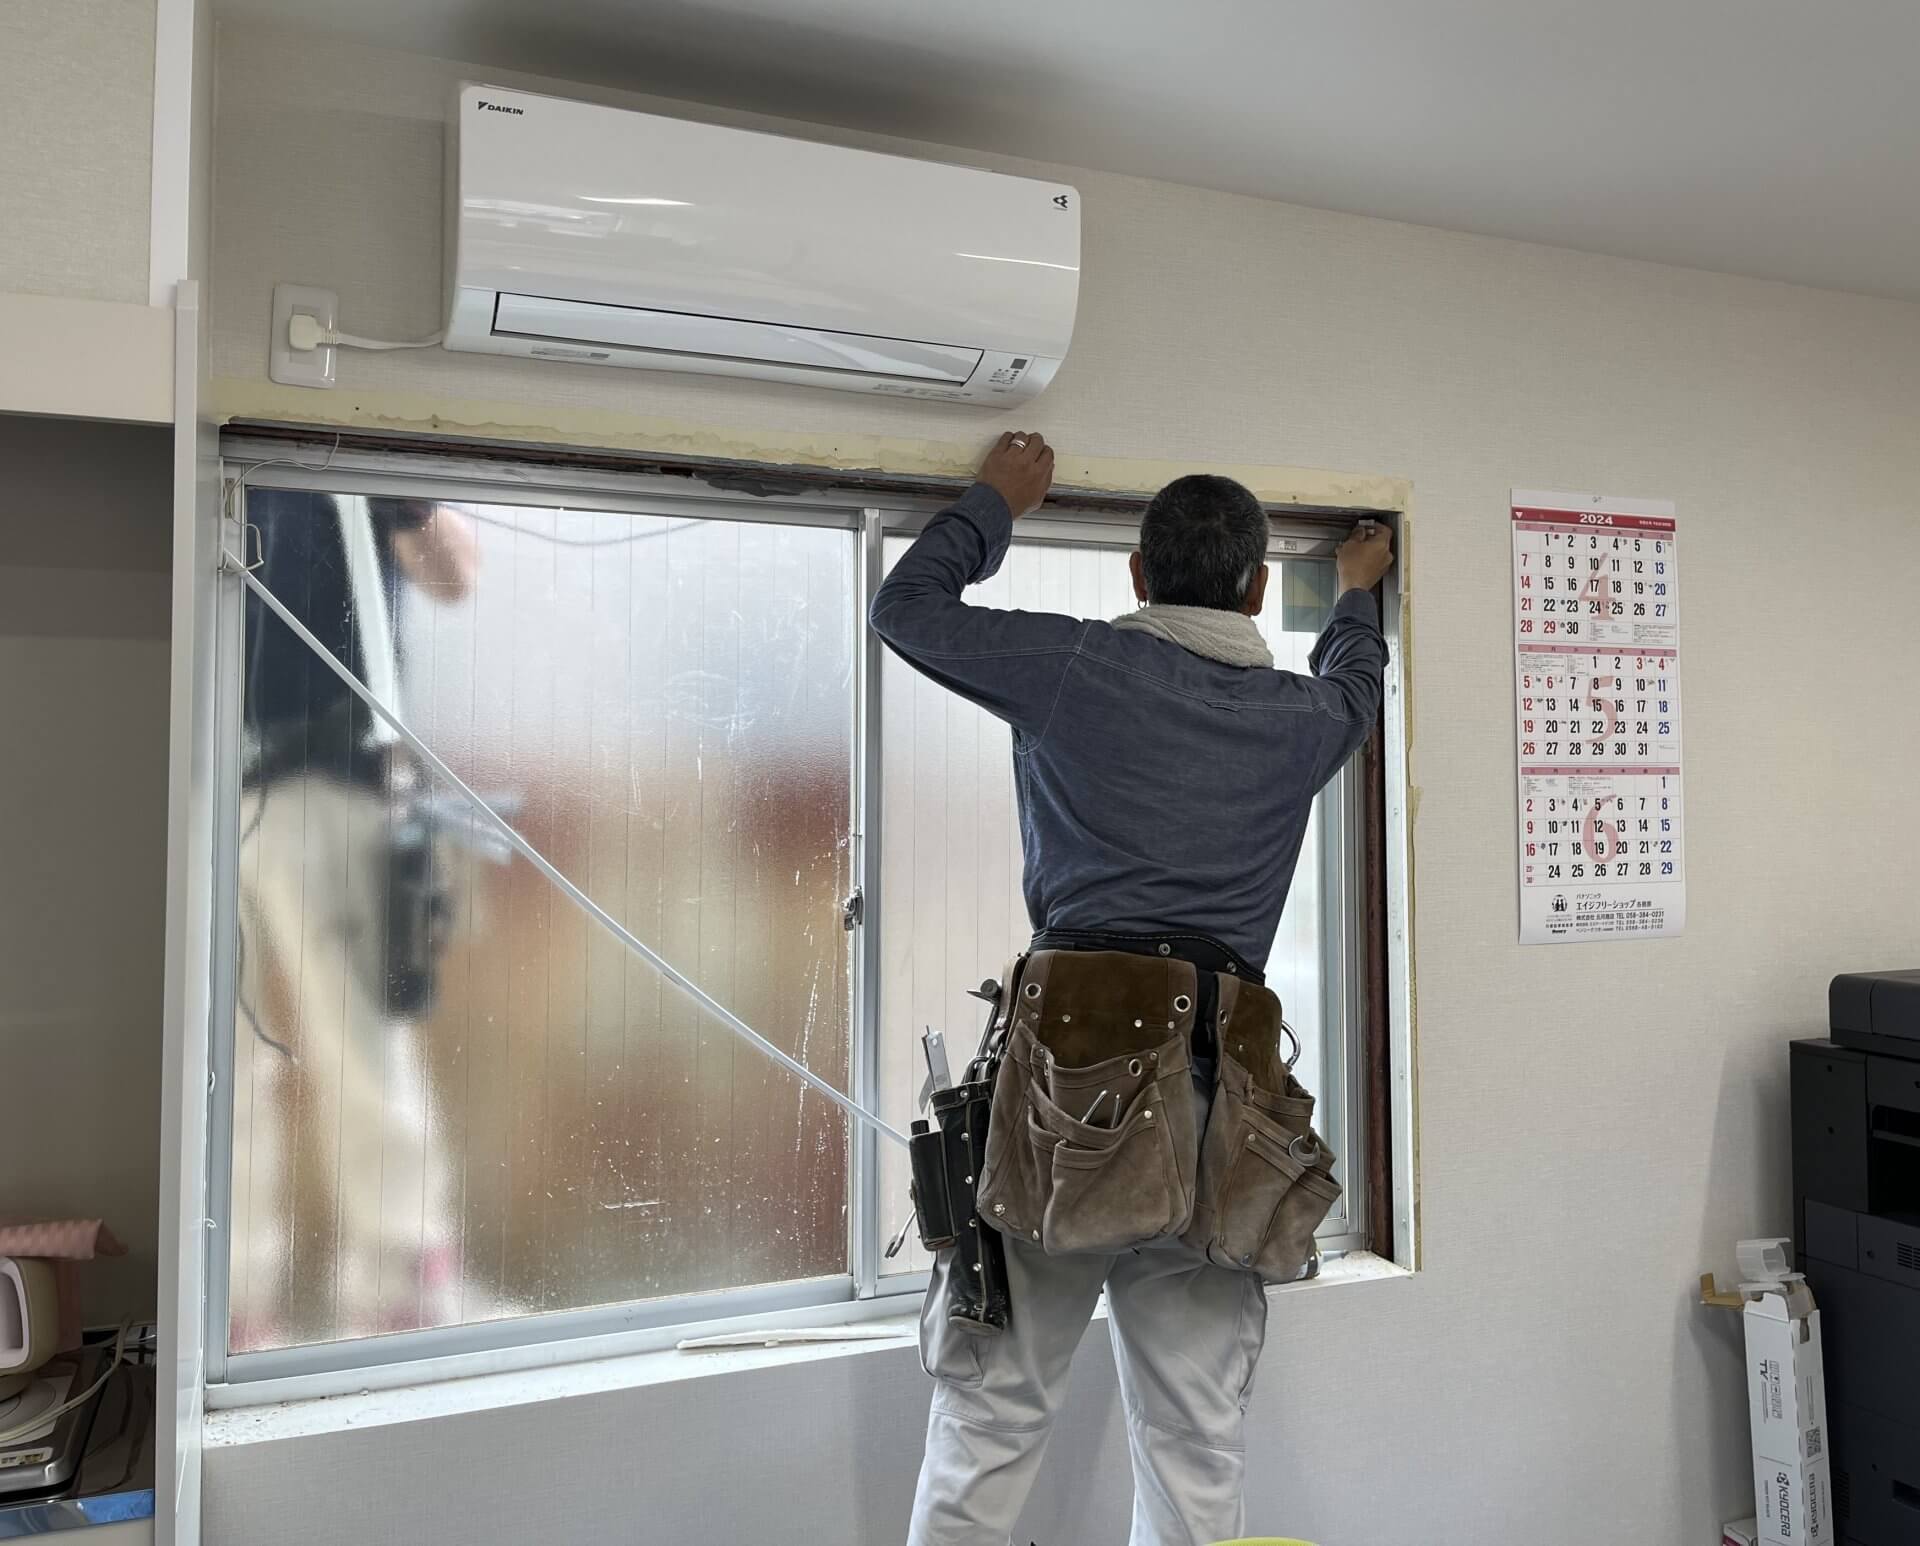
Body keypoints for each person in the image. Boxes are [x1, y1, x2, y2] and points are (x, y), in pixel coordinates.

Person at [870, 431, 1393, 1546]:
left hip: (1066, 1093)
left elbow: (907, 611)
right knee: (1196, 1437)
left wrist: (994, 505)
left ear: (1138, 577)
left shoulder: (1075, 668)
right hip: (1228, 1118)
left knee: (994, 1417)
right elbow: (1356, 685)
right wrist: (1355, 594)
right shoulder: (1302, 721)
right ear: (1256, 586)